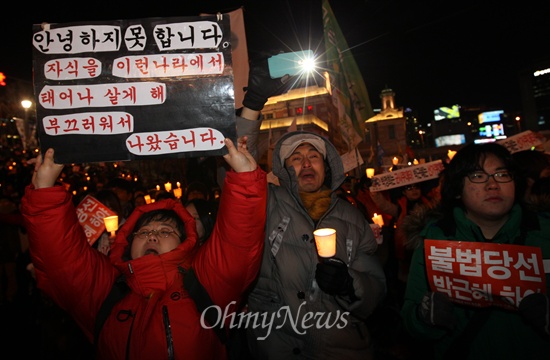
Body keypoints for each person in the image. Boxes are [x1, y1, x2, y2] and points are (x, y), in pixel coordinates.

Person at [20, 137, 267, 360]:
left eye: (166, 231)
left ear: (185, 243)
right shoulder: (106, 292)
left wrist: (245, 177)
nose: (153, 236)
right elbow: (62, 263)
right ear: (129, 242)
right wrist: (44, 190)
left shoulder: (206, 285)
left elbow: (238, 242)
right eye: (144, 232)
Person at [236, 59, 386, 359]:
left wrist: (349, 284)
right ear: (284, 168)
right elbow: (238, 163)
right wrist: (253, 104)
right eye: (296, 157)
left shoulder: (352, 217)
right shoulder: (267, 203)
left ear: (326, 165)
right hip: (277, 344)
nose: (305, 162)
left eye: (313, 155)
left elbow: (376, 289)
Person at [400, 142, 550, 359]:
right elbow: (411, 321)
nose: (493, 185)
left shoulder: (544, 233)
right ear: (457, 189)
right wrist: (424, 317)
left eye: (502, 175)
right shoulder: (436, 239)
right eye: (478, 176)